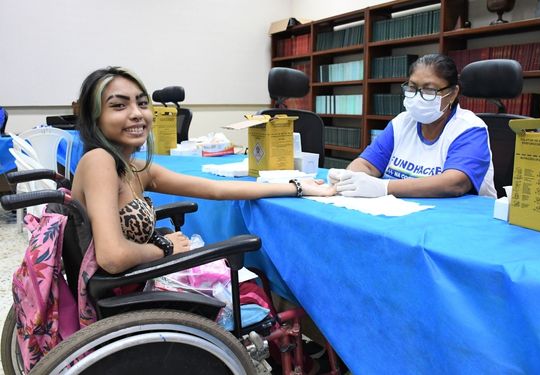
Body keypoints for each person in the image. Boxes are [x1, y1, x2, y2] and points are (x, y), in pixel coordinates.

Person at [71, 66, 335, 275]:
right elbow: (113, 258)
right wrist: (164, 247)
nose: (137, 114)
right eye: (119, 106)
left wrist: (298, 187)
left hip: (138, 279)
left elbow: (217, 189)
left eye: (141, 103)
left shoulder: (134, 167)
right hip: (124, 292)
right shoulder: (99, 161)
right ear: (94, 117)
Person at [329, 53, 497, 199]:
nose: (417, 97)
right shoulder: (402, 122)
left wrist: (383, 188)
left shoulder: (469, 129)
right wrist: (350, 178)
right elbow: (366, 164)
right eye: (412, 88)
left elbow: (454, 183)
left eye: (429, 90)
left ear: (452, 93)